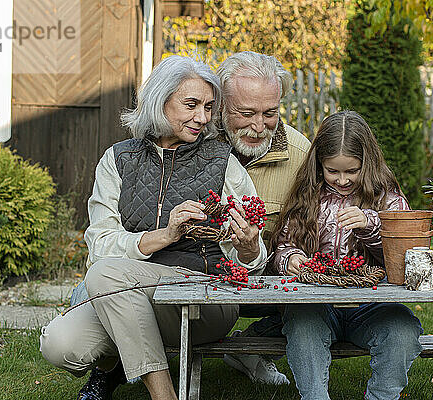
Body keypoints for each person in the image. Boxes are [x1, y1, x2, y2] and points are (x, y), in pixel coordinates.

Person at [39, 55, 267, 400]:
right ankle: (144, 357)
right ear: (160, 101)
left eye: (208, 107)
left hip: (203, 299)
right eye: (191, 105)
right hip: (127, 296)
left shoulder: (222, 163)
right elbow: (100, 244)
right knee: (61, 344)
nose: (202, 118)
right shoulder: (117, 160)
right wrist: (166, 235)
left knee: (103, 277)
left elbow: (252, 260)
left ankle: (163, 394)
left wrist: (249, 247)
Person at [271, 110, 423, 400]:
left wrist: (371, 224)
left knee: (402, 330)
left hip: (371, 304)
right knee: (302, 326)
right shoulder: (309, 196)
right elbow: (283, 244)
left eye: (351, 171)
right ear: (319, 165)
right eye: (333, 171)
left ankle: (380, 396)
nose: (342, 180)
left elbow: (404, 254)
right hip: (316, 302)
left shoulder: (387, 197)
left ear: (367, 164)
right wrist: (288, 258)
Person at [215, 51, 311, 385]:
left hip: (269, 287)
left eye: (270, 113)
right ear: (222, 105)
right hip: (199, 282)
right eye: (246, 113)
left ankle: (255, 347)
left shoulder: (300, 155)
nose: (259, 126)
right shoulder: (196, 145)